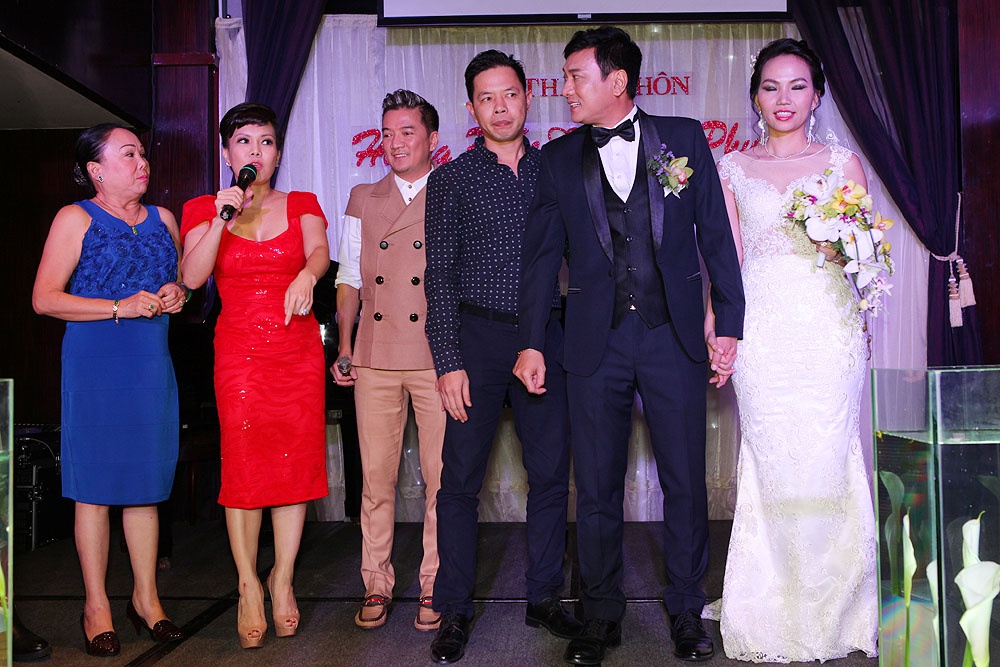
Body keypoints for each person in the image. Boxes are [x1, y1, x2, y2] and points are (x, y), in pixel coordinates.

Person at [514, 27, 745, 665]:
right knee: (595, 486)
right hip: (594, 343)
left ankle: (686, 609)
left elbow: (716, 236)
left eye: (575, 76)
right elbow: (541, 262)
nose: (565, 89)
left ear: (616, 81)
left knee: (685, 481)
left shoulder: (684, 139)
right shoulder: (557, 160)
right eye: (565, 77)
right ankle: (600, 614)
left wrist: (728, 320)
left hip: (673, 337)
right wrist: (530, 344)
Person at [712, 38, 878, 661]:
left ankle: (839, 605)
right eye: (771, 86)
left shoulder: (843, 165)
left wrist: (844, 250)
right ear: (755, 96)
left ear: (817, 95)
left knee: (828, 458)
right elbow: (727, 263)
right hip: (763, 333)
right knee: (772, 460)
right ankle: (772, 605)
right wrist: (718, 328)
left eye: (798, 86)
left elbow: (869, 260)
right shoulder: (731, 168)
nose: (784, 99)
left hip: (829, 331)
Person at [424, 50, 581, 665]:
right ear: (471, 108)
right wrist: (447, 361)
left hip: (547, 337)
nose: (499, 107)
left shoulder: (556, 170)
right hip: (476, 342)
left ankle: (544, 595)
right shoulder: (451, 179)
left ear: (527, 97)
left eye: (509, 94)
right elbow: (439, 277)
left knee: (550, 474)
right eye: (486, 98)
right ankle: (454, 607)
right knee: (459, 481)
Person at [32, 123, 187, 657]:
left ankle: (147, 599)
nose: (143, 162)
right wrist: (119, 306)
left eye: (142, 153)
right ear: (96, 170)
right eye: (128, 154)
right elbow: (45, 299)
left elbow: (183, 285)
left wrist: (177, 293)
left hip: (150, 362)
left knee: (145, 484)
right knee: (95, 489)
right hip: (95, 364)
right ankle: (95, 606)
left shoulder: (164, 219)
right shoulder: (74, 218)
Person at [179, 102, 330, 649]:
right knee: (244, 465)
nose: (256, 152)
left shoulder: (302, 202)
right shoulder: (203, 208)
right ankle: (247, 583)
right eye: (244, 142)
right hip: (240, 351)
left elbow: (320, 252)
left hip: (296, 350)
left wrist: (307, 275)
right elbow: (192, 277)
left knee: (293, 462)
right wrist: (223, 217)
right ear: (228, 153)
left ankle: (282, 578)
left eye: (266, 142)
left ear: (277, 153)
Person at [333, 89, 446, 633]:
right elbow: (349, 277)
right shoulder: (363, 196)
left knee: (442, 480)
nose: (395, 143)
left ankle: (435, 583)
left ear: (432, 139)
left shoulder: (452, 190)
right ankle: (375, 581)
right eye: (387, 133)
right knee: (376, 480)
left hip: (437, 356)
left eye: (407, 132)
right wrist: (345, 345)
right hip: (375, 355)